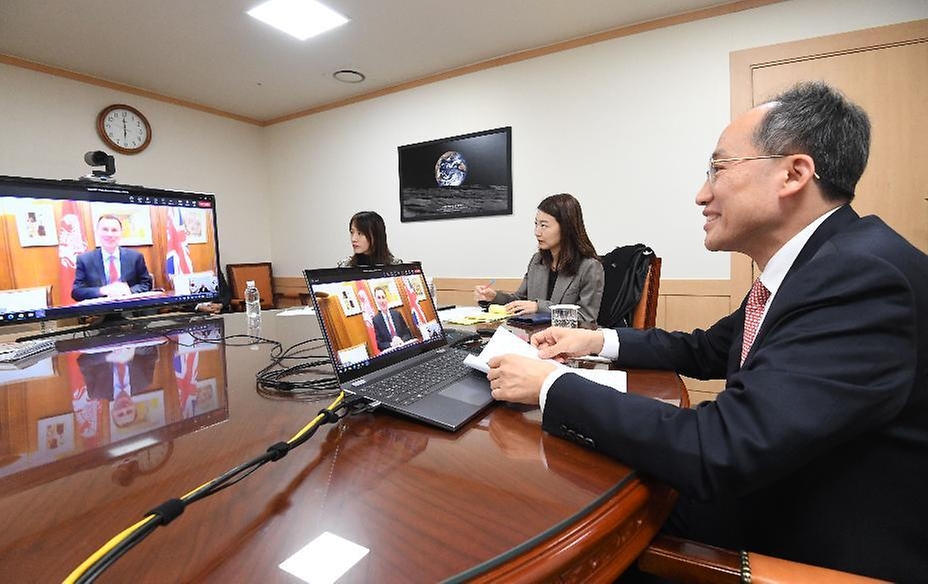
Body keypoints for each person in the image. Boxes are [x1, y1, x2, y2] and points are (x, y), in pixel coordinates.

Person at [485, 82, 928, 582]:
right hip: (774, 489)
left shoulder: (860, 277)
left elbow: (721, 447)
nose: (702, 194)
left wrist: (549, 385)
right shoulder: (821, 264)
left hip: (796, 539)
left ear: (794, 173)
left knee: (558, 522)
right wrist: (596, 340)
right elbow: (705, 348)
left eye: (718, 169)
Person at [474, 193, 604, 324]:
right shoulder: (537, 261)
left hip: (567, 341)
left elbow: (586, 318)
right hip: (534, 337)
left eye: (544, 225)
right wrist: (493, 297)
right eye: (536, 224)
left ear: (566, 228)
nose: (537, 232)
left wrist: (539, 307)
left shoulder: (590, 267)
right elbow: (519, 300)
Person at [71, 214, 154, 301]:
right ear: (97, 232)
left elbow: (147, 284)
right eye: (105, 229)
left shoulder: (135, 257)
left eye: (114, 230)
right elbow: (77, 292)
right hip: (100, 311)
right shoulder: (84, 260)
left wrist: (129, 290)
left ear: (121, 233)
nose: (110, 234)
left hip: (130, 310)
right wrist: (102, 290)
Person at [337, 211, 403, 267]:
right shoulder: (345, 266)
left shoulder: (395, 266)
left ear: (376, 235)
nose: (353, 239)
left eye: (360, 233)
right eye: (352, 232)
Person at [371, 285, 413, 350]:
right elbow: (379, 344)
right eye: (379, 298)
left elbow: (408, 334)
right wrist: (391, 344)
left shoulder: (397, 314)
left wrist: (401, 340)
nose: (382, 301)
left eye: (383, 297)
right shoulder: (376, 320)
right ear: (376, 301)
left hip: (404, 347)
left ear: (386, 299)